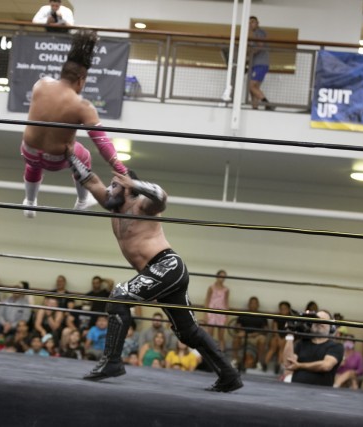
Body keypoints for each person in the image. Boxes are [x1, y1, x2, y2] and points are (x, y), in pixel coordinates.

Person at [67, 156, 242, 392]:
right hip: (159, 274)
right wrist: (70, 155)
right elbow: (91, 180)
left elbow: (161, 197)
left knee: (119, 296)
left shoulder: (142, 205)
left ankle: (112, 362)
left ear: (129, 189)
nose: (110, 189)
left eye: (116, 185)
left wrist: (135, 184)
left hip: (167, 266)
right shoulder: (113, 205)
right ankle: (229, 376)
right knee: (187, 332)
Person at [21, 30, 128, 218]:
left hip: (28, 152)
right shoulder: (83, 107)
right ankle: (82, 200)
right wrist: (121, 169)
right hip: (56, 158)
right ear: (81, 80)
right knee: (84, 155)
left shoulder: (41, 84)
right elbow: (102, 144)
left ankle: (30, 202)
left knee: (34, 161)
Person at [283, 309, 344, 387]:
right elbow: (288, 364)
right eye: (316, 319)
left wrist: (299, 365)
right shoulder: (301, 343)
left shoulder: (336, 346)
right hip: (297, 389)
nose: (318, 323)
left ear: (331, 327)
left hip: (321, 393)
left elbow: (326, 366)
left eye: (323, 321)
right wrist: (290, 335)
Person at [247, 16, 274, 111]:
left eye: (253, 22)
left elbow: (260, 45)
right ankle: (255, 107)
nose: (251, 24)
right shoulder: (253, 35)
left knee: (251, 85)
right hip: (255, 64)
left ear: (257, 23)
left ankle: (267, 103)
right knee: (254, 88)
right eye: (249, 22)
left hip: (261, 64)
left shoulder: (259, 32)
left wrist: (250, 53)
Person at [203, 269, 230, 352]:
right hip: (211, 312)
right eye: (220, 276)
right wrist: (206, 314)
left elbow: (226, 302)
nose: (222, 278)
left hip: (221, 312)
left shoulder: (226, 290)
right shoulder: (211, 287)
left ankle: (221, 354)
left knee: (221, 336)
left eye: (224, 277)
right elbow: (207, 300)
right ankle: (209, 352)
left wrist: (227, 316)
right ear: (217, 276)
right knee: (209, 334)